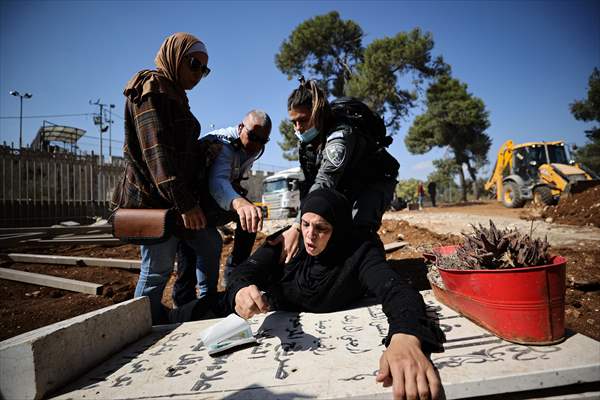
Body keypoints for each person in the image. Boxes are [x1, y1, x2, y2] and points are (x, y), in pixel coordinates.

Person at [225, 188, 444, 400]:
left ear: (338, 229)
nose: (310, 235)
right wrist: (241, 290)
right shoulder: (287, 243)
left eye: (321, 228)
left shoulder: (358, 253)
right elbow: (245, 272)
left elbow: (395, 289)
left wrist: (405, 335)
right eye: (306, 224)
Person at [111, 32, 214, 324]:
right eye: (194, 64)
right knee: (156, 269)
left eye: (204, 70)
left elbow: (181, 150)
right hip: (156, 202)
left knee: (209, 244)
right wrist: (186, 204)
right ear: (174, 57)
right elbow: (158, 158)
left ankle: (205, 308)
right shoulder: (151, 88)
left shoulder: (175, 94)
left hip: (172, 200)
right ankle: (141, 329)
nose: (199, 74)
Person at [276, 78, 400, 262]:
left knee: (360, 229)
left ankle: (375, 266)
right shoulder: (309, 144)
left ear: (317, 113)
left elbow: (324, 181)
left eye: (302, 120)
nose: (298, 128)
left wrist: (296, 226)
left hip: (373, 183)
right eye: (294, 122)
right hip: (346, 183)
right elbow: (313, 185)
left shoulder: (339, 138)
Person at [172, 110, 272, 306]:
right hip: (191, 205)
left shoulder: (251, 148)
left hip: (213, 202)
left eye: (263, 141)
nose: (256, 144)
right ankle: (182, 302)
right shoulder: (223, 145)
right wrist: (238, 202)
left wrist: (242, 202)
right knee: (190, 249)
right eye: (253, 137)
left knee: (250, 218)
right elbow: (218, 182)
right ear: (241, 127)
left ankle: (233, 274)